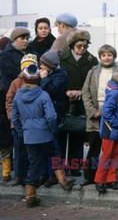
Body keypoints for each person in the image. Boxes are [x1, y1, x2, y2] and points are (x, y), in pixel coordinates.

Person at [11, 64, 75, 208]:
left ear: (24, 78)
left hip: (29, 135)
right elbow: (51, 117)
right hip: (45, 133)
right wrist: (52, 130)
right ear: (38, 79)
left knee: (33, 164)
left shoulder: (18, 96)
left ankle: (30, 196)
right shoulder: (43, 94)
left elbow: (14, 119)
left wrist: (22, 132)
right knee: (55, 154)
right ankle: (63, 181)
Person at [59, 30, 98, 177]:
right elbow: (57, 78)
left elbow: (94, 82)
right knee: (61, 135)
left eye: (85, 46)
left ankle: (75, 167)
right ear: (72, 45)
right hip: (64, 100)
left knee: (77, 134)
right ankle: (60, 168)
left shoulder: (92, 60)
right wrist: (66, 91)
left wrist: (81, 92)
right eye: (79, 46)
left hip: (82, 101)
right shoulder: (62, 58)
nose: (82, 49)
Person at [81, 44, 118, 186]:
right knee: (94, 147)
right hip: (94, 116)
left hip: (111, 115)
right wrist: (92, 111)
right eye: (104, 55)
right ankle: (90, 176)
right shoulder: (93, 71)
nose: (106, 58)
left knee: (110, 149)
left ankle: (109, 178)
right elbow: (85, 92)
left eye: (109, 55)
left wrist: (104, 112)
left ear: (114, 57)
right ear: (100, 57)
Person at [94, 67, 118, 193]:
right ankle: (100, 180)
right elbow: (107, 111)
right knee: (108, 155)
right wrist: (117, 124)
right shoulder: (116, 93)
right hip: (111, 130)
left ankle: (111, 179)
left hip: (115, 130)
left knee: (115, 154)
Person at [6, 54, 38, 186]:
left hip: (32, 123)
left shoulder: (38, 81)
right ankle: (19, 176)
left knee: (32, 151)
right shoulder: (16, 82)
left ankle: (29, 176)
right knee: (18, 150)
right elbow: (9, 101)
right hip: (18, 122)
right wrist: (12, 118)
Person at [38, 50, 69, 188]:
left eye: (43, 64)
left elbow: (52, 91)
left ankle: (54, 175)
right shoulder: (45, 73)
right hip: (42, 113)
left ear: (49, 65)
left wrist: (44, 79)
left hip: (55, 113)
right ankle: (43, 173)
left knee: (54, 145)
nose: (40, 66)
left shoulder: (61, 75)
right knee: (43, 145)